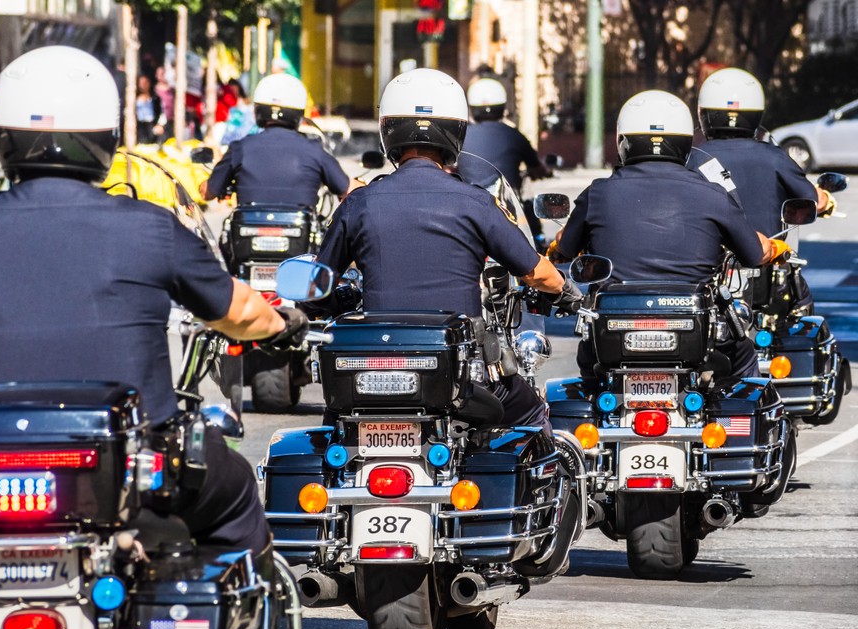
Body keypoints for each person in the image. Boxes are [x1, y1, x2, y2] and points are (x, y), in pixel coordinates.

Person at [0, 46, 308, 556]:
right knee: (239, 492)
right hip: (131, 467)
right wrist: (283, 324)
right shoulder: (149, 227)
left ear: (1, 140)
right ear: (106, 139)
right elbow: (241, 312)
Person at [314, 68, 582, 432]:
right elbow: (537, 273)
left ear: (388, 131)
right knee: (533, 415)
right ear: (456, 132)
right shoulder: (476, 202)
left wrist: (331, 302)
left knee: (332, 435)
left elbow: (317, 284)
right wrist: (567, 292)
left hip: (372, 374)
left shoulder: (359, 203)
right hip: (459, 379)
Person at [552, 90, 787, 385]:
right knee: (744, 359)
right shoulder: (713, 194)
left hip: (613, 330)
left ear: (623, 142)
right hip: (694, 328)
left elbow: (565, 247)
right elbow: (754, 253)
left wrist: (558, 246)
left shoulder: (598, 193)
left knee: (589, 365)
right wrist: (776, 247)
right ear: (686, 143)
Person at [688, 67, 834, 311]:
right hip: (765, 267)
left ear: (704, 114)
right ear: (756, 114)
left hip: (706, 270)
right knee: (803, 307)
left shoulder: (692, 158)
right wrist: (828, 199)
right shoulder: (774, 156)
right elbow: (814, 201)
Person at [200, 73, 354, 207]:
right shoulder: (314, 149)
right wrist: (363, 184)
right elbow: (348, 189)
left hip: (246, 229)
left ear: (258, 111)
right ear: (299, 114)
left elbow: (208, 193)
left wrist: (202, 184)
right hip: (301, 230)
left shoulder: (240, 148)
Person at [462, 77, 553, 250]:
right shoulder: (514, 135)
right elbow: (537, 168)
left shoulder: (462, 136)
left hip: (468, 208)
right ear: (502, 107)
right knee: (530, 220)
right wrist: (546, 171)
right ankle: (537, 250)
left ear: (472, 108)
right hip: (508, 207)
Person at [135, 73, 166, 144]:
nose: (143, 85)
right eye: (141, 83)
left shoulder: (155, 99)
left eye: (145, 83)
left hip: (152, 125)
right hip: (139, 127)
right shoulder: (134, 99)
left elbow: (162, 114)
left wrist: (160, 125)